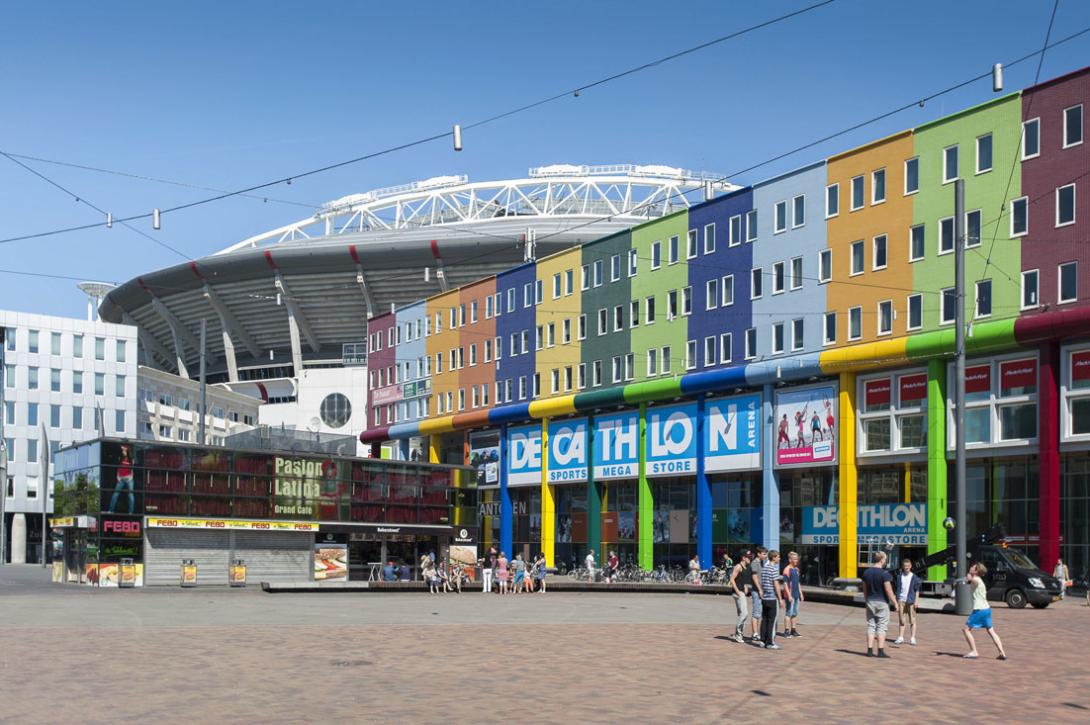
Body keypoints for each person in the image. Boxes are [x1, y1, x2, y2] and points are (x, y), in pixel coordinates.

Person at [963, 563, 1007, 660]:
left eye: (973, 567)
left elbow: (970, 579)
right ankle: (1002, 653)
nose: (970, 567)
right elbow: (970, 580)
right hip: (987, 609)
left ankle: (974, 651)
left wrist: (968, 576)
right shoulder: (980, 580)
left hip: (979, 609)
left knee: (966, 629)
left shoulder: (976, 580)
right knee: (991, 631)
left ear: (976, 571)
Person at [861, 551, 898, 658]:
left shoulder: (866, 573)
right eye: (885, 560)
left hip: (870, 601)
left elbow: (864, 589)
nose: (885, 561)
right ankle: (880, 651)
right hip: (882, 603)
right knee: (882, 626)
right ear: (882, 559)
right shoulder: (885, 574)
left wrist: (866, 600)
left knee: (871, 625)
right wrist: (895, 603)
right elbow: (888, 590)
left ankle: (869, 650)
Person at [892, 557, 922, 646]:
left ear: (911, 566)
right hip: (901, 600)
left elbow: (917, 590)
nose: (907, 567)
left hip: (911, 600)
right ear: (903, 567)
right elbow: (897, 589)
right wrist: (896, 600)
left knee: (912, 620)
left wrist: (916, 601)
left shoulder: (914, 577)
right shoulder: (899, 576)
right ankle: (900, 637)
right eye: (905, 566)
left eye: (908, 566)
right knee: (901, 620)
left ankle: (912, 638)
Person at [760, 550, 783, 649]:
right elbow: (776, 584)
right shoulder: (773, 569)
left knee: (764, 619)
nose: (779, 558)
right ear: (773, 557)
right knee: (772, 621)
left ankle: (763, 640)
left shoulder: (764, 568)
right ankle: (770, 642)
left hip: (764, 598)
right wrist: (780, 598)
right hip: (772, 598)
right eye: (778, 557)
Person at [729, 551, 753, 643]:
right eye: (748, 557)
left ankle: (739, 634)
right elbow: (732, 579)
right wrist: (738, 591)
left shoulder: (746, 567)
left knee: (741, 614)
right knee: (745, 614)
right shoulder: (738, 566)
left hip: (741, 592)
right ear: (743, 558)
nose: (749, 558)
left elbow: (742, 579)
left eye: (750, 557)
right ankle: (738, 634)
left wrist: (745, 587)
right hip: (738, 593)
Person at [108, 444, 136, 513]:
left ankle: (131, 512)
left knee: (130, 495)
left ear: (126, 449)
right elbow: (118, 468)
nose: (122, 450)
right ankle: (111, 510)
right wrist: (118, 476)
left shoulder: (131, 459)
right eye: (122, 449)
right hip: (120, 479)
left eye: (123, 448)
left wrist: (131, 476)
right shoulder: (120, 458)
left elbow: (132, 469)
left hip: (129, 478)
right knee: (115, 494)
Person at [782, 551, 803, 638]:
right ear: (790, 559)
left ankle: (793, 630)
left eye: (797, 559)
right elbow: (785, 584)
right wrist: (789, 595)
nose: (796, 560)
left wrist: (801, 593)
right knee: (788, 613)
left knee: (795, 613)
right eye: (794, 559)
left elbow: (798, 582)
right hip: (790, 595)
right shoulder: (787, 570)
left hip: (796, 595)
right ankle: (786, 631)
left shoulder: (797, 569)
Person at [749, 546, 768, 643]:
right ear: (758, 554)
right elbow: (754, 577)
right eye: (764, 554)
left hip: (761, 590)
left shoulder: (761, 563)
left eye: (766, 554)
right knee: (756, 613)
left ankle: (757, 633)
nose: (766, 556)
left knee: (759, 612)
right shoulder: (755, 563)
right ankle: (755, 634)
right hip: (756, 591)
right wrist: (760, 589)